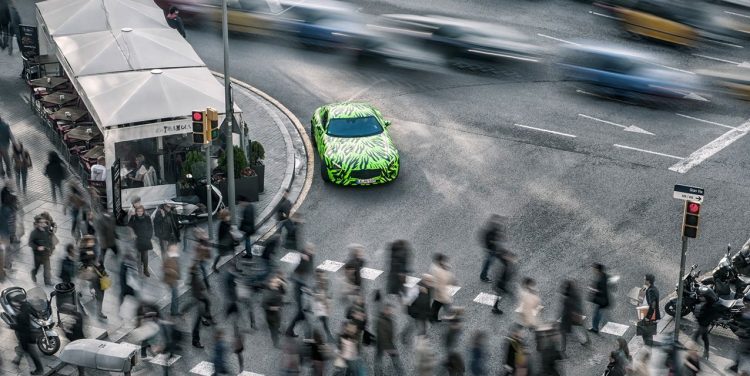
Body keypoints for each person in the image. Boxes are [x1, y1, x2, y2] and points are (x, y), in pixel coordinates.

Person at [286, 243, 315, 337]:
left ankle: (292, 331)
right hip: (298, 286)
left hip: (304, 285)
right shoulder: (299, 258)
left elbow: (309, 272)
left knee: (303, 312)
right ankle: (306, 335)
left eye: (312, 249)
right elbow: (291, 273)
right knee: (301, 312)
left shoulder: (311, 257)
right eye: (310, 249)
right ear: (306, 249)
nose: (312, 251)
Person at [11, 299, 43, 374]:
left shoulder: (21, 315)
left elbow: (22, 327)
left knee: (33, 355)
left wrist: (13, 326)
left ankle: (39, 370)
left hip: (27, 338)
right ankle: (17, 360)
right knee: (21, 348)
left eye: (15, 303)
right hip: (26, 336)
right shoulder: (26, 308)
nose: (15, 305)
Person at [559, 279, 590, 353]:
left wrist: (561, 318)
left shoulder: (567, 298)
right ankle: (587, 339)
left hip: (570, 317)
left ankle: (563, 349)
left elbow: (566, 310)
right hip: (577, 315)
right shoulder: (576, 293)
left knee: (564, 332)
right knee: (580, 327)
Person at [402, 274, 433, 343]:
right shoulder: (415, 290)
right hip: (415, 314)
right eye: (430, 281)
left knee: (423, 326)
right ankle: (404, 336)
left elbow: (427, 301)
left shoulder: (429, 288)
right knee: (411, 326)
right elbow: (406, 301)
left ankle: (423, 335)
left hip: (423, 313)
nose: (431, 283)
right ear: (425, 281)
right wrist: (413, 312)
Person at [375, 303, 404, 375]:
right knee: (395, 361)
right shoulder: (381, 321)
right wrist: (389, 348)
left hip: (387, 343)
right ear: (385, 310)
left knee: (379, 360)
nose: (392, 312)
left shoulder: (389, 319)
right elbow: (382, 336)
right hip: (385, 344)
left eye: (392, 310)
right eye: (390, 310)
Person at [430, 253, 457, 322]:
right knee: (447, 305)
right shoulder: (439, 272)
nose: (445, 262)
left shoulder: (434, 266)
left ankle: (433, 317)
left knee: (436, 304)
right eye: (443, 260)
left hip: (438, 292)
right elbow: (444, 280)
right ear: (439, 261)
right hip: (441, 292)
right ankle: (452, 319)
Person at [128, 205, 154, 277]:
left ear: (143, 211)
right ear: (136, 211)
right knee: (138, 255)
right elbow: (129, 226)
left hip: (145, 239)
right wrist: (132, 233)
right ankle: (139, 271)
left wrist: (149, 236)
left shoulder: (147, 218)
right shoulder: (133, 218)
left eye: (141, 211)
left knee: (145, 255)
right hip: (137, 239)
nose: (139, 213)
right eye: (138, 211)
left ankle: (145, 270)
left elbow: (150, 228)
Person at [479, 214, 505, 282]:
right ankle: (483, 277)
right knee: (488, 262)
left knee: (491, 261)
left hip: (493, 248)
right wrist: (490, 246)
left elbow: (495, 236)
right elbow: (488, 239)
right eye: (498, 220)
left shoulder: (494, 227)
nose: (499, 221)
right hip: (491, 249)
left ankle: (485, 276)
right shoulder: (491, 229)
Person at [29, 215, 53, 285]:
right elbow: (30, 243)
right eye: (41, 222)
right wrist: (37, 247)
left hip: (46, 252)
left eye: (44, 222)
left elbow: (51, 232)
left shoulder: (46, 228)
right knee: (37, 267)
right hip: (38, 254)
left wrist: (51, 225)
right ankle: (33, 273)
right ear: (38, 224)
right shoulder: (34, 233)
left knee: (47, 268)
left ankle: (47, 282)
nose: (43, 224)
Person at [311, 269, 334, 341]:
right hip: (319, 305)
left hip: (324, 304)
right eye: (318, 275)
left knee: (323, 321)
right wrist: (319, 296)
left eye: (321, 274)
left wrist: (328, 303)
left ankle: (327, 336)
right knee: (321, 321)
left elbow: (330, 294)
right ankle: (327, 337)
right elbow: (313, 295)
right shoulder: (315, 284)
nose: (320, 277)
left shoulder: (327, 282)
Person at [263, 273, 285, 348]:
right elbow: (263, 305)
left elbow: (284, 292)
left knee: (278, 322)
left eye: (277, 282)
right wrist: (273, 308)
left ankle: (278, 329)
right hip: (270, 315)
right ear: (271, 283)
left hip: (277, 312)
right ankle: (276, 343)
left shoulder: (277, 288)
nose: (277, 284)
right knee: (273, 330)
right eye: (275, 282)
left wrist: (282, 283)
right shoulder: (267, 295)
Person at [492, 250, 517, 315]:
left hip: (501, 283)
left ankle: (495, 308)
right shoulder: (503, 265)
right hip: (499, 283)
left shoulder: (505, 262)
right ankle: (495, 308)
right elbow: (498, 275)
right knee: (499, 294)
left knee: (501, 293)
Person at [588, 262, 610, 334]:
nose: (593, 270)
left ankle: (595, 328)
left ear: (598, 270)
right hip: (604, 300)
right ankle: (595, 327)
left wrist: (594, 290)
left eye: (594, 269)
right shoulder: (603, 275)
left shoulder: (601, 279)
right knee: (598, 314)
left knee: (596, 315)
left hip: (602, 301)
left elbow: (602, 291)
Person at [640, 274, 660, 346]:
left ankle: (648, 348)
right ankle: (648, 346)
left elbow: (653, 305)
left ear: (648, 281)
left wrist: (647, 317)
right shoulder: (653, 288)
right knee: (648, 333)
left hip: (650, 316)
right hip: (650, 315)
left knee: (646, 334)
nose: (644, 280)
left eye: (645, 279)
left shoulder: (651, 291)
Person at [163, 244, 181, 317]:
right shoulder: (169, 259)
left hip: (173, 280)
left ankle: (174, 310)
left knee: (175, 296)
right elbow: (165, 269)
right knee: (175, 296)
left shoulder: (173, 258)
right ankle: (174, 312)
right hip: (171, 281)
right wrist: (173, 272)